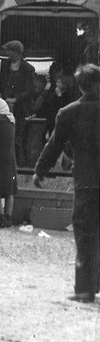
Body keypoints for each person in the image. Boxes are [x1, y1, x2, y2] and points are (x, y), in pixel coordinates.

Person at [34, 64, 100, 303]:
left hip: (86, 182)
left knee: (85, 235)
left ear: (80, 85)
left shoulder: (68, 112)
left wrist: (40, 170)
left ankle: (85, 288)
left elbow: (54, 145)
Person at [0, 97, 17, 227]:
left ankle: (0, 217)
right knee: (9, 190)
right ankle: (8, 217)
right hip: (10, 158)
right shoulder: (11, 120)